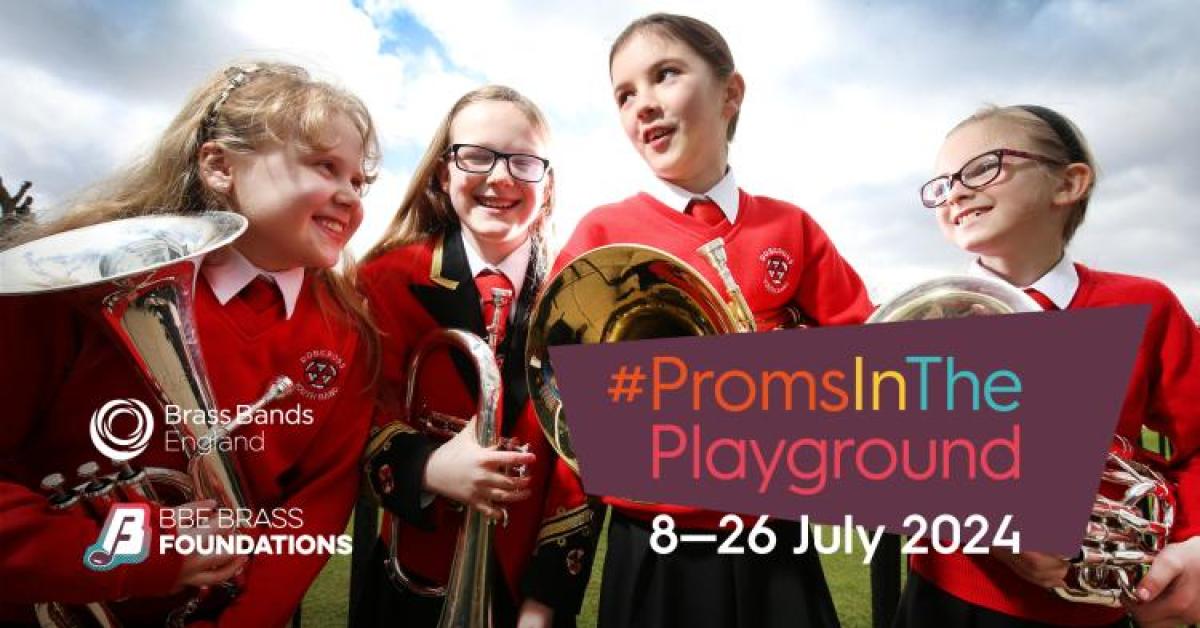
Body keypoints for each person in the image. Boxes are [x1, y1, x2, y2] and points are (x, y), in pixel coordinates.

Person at [0, 61, 379, 626]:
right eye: (325, 166)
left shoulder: (349, 333)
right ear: (220, 165)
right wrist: (146, 553)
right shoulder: (70, 285)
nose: (350, 196)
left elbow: (314, 508)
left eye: (358, 180)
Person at [554, 13, 874, 628]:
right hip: (653, 544)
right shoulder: (601, 233)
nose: (642, 104)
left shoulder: (792, 227)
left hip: (774, 539)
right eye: (624, 94)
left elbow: (865, 360)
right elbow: (565, 398)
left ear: (730, 93)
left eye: (665, 75)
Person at [896, 104, 1200, 628]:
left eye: (982, 168)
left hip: (1092, 610)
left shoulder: (1146, 305)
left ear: (1069, 184)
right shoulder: (926, 319)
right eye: (943, 184)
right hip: (943, 600)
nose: (956, 193)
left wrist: (1192, 542)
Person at [353, 85, 599, 628]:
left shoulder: (580, 294)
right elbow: (359, 415)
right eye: (476, 156)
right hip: (410, 586)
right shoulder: (384, 280)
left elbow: (579, 465)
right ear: (444, 174)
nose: (500, 176)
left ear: (548, 183)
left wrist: (542, 608)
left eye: (523, 160)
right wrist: (431, 466)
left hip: (529, 596)